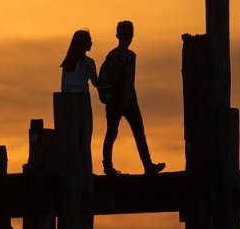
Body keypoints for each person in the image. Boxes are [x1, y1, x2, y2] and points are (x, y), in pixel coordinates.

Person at [99, 20, 165, 176]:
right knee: (138, 134)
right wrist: (127, 98)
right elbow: (129, 78)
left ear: (117, 35)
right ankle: (148, 166)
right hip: (128, 100)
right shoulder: (130, 56)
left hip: (113, 101)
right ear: (131, 36)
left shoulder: (111, 55)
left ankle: (107, 166)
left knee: (111, 133)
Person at [60, 29, 99, 94]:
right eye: (89, 40)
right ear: (84, 42)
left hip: (67, 98)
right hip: (82, 98)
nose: (91, 43)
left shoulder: (67, 62)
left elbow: (63, 86)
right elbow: (95, 83)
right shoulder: (88, 62)